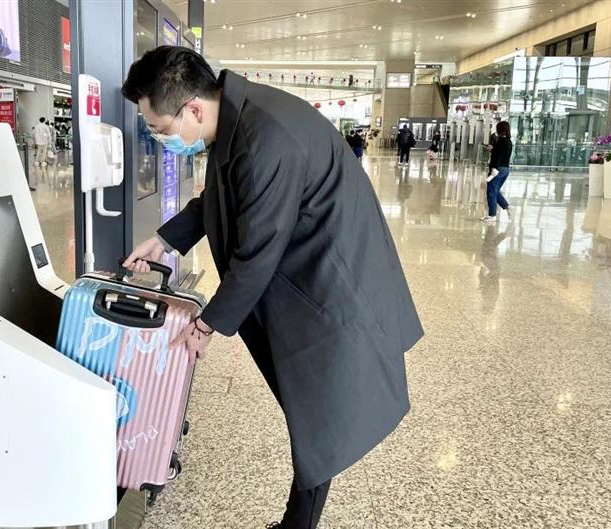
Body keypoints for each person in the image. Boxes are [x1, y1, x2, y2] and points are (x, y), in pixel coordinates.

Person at [121, 46, 423, 529]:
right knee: (312, 418)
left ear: (192, 109)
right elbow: (218, 199)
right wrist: (163, 241)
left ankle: (296, 525)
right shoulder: (237, 120)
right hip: (309, 274)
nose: (161, 140)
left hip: (332, 286)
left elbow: (257, 252)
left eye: (160, 129)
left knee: (317, 418)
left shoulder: (266, 137)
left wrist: (208, 324)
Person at [482, 120, 513, 223]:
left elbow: (498, 156)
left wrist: (494, 168)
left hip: (498, 169)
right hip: (505, 169)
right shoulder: (508, 141)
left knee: (491, 191)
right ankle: (507, 206)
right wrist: (493, 149)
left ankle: (492, 215)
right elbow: (502, 154)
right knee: (495, 190)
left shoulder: (501, 141)